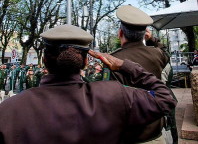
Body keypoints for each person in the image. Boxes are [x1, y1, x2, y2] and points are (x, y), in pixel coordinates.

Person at [0, 24, 176, 144]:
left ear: (45, 60)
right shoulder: (114, 95)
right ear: (85, 62)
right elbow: (165, 98)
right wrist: (125, 65)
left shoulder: (9, 110)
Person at [110, 5, 171, 144]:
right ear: (145, 34)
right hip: (155, 132)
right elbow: (165, 52)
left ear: (120, 33)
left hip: (127, 135)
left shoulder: (112, 59)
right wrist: (152, 39)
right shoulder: (157, 54)